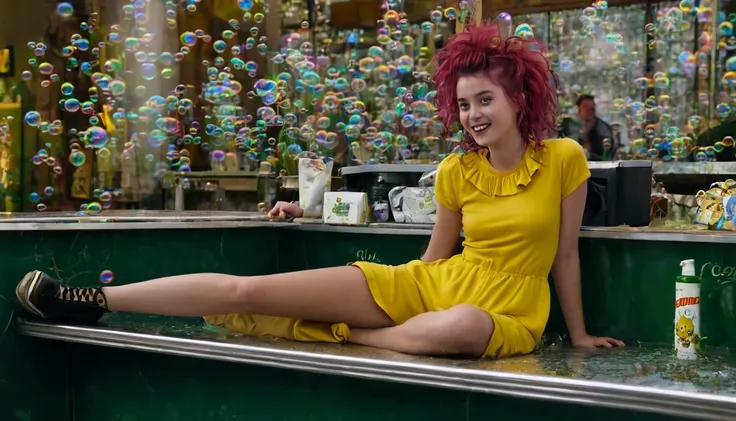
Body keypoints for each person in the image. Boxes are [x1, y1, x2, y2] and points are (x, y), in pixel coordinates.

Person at [14, 22, 623, 358]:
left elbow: (564, 254)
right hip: (431, 284)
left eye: (484, 100)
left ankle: (343, 333)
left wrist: (579, 333)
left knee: (457, 328)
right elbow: (435, 257)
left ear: (519, 98)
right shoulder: (456, 171)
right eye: (462, 104)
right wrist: (385, 275)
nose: (472, 115)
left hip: (508, 311)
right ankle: (88, 299)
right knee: (247, 288)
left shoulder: (565, 159)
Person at [559, 94, 615, 161]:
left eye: (592, 106)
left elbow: (608, 155)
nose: (589, 109)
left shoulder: (603, 129)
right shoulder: (569, 126)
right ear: (579, 109)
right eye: (585, 106)